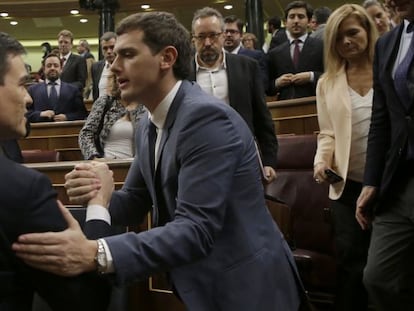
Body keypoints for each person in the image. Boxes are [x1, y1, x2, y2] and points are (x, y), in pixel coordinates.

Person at [12, 11, 304, 311]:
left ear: (166, 58)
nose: (112, 66)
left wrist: (97, 252)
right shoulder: (149, 122)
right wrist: (98, 195)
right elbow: (135, 201)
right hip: (205, 286)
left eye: (127, 54)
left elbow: (196, 229)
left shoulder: (206, 119)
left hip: (248, 289)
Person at [0, 31, 110, 311]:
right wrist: (98, 207)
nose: (28, 99)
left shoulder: (10, 150)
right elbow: (86, 300)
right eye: (22, 85)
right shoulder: (24, 188)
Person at [313, 4, 378, 310]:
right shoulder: (327, 83)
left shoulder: (390, 69)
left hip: (390, 184)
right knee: (352, 265)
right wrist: (322, 161)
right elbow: (327, 133)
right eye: (338, 38)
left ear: (367, 30)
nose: (347, 42)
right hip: (347, 185)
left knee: (387, 268)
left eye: (352, 32)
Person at [355, 0, 414, 309]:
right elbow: (382, 119)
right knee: (377, 277)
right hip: (397, 183)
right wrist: (370, 182)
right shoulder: (387, 44)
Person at [188, 7, 278, 182]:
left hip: (241, 156)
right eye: (201, 37)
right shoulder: (182, 73)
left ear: (222, 36)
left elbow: (262, 117)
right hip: (197, 160)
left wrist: (269, 161)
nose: (207, 42)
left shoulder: (247, 67)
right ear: (193, 40)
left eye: (213, 35)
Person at [79, 74, 145, 160]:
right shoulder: (105, 102)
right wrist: (94, 157)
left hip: (137, 166)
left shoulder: (145, 105)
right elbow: (85, 134)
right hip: (106, 164)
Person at [267, 0, 324, 100]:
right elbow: (267, 86)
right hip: (286, 108)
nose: (296, 21)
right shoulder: (275, 53)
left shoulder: (321, 46)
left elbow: (332, 76)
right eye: (292, 17)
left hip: (315, 104)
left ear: (309, 21)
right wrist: (277, 82)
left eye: (301, 17)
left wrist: (311, 76)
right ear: (285, 22)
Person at [26, 53, 87, 122]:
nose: (52, 68)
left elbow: (82, 114)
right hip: (40, 131)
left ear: (61, 69)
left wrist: (67, 117)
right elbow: (25, 114)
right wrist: (40, 114)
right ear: (44, 69)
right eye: (49, 66)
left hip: (65, 131)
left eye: (56, 65)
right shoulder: (32, 90)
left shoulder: (73, 90)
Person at [223, 15, 269, 90]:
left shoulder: (255, 57)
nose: (228, 35)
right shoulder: (215, 58)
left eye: (232, 32)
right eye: (225, 32)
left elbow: (262, 84)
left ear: (241, 35)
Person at [92, 32, 117, 101]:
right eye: (105, 48)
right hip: (101, 109)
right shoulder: (96, 67)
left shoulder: (126, 66)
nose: (109, 51)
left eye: (112, 47)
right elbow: (95, 92)